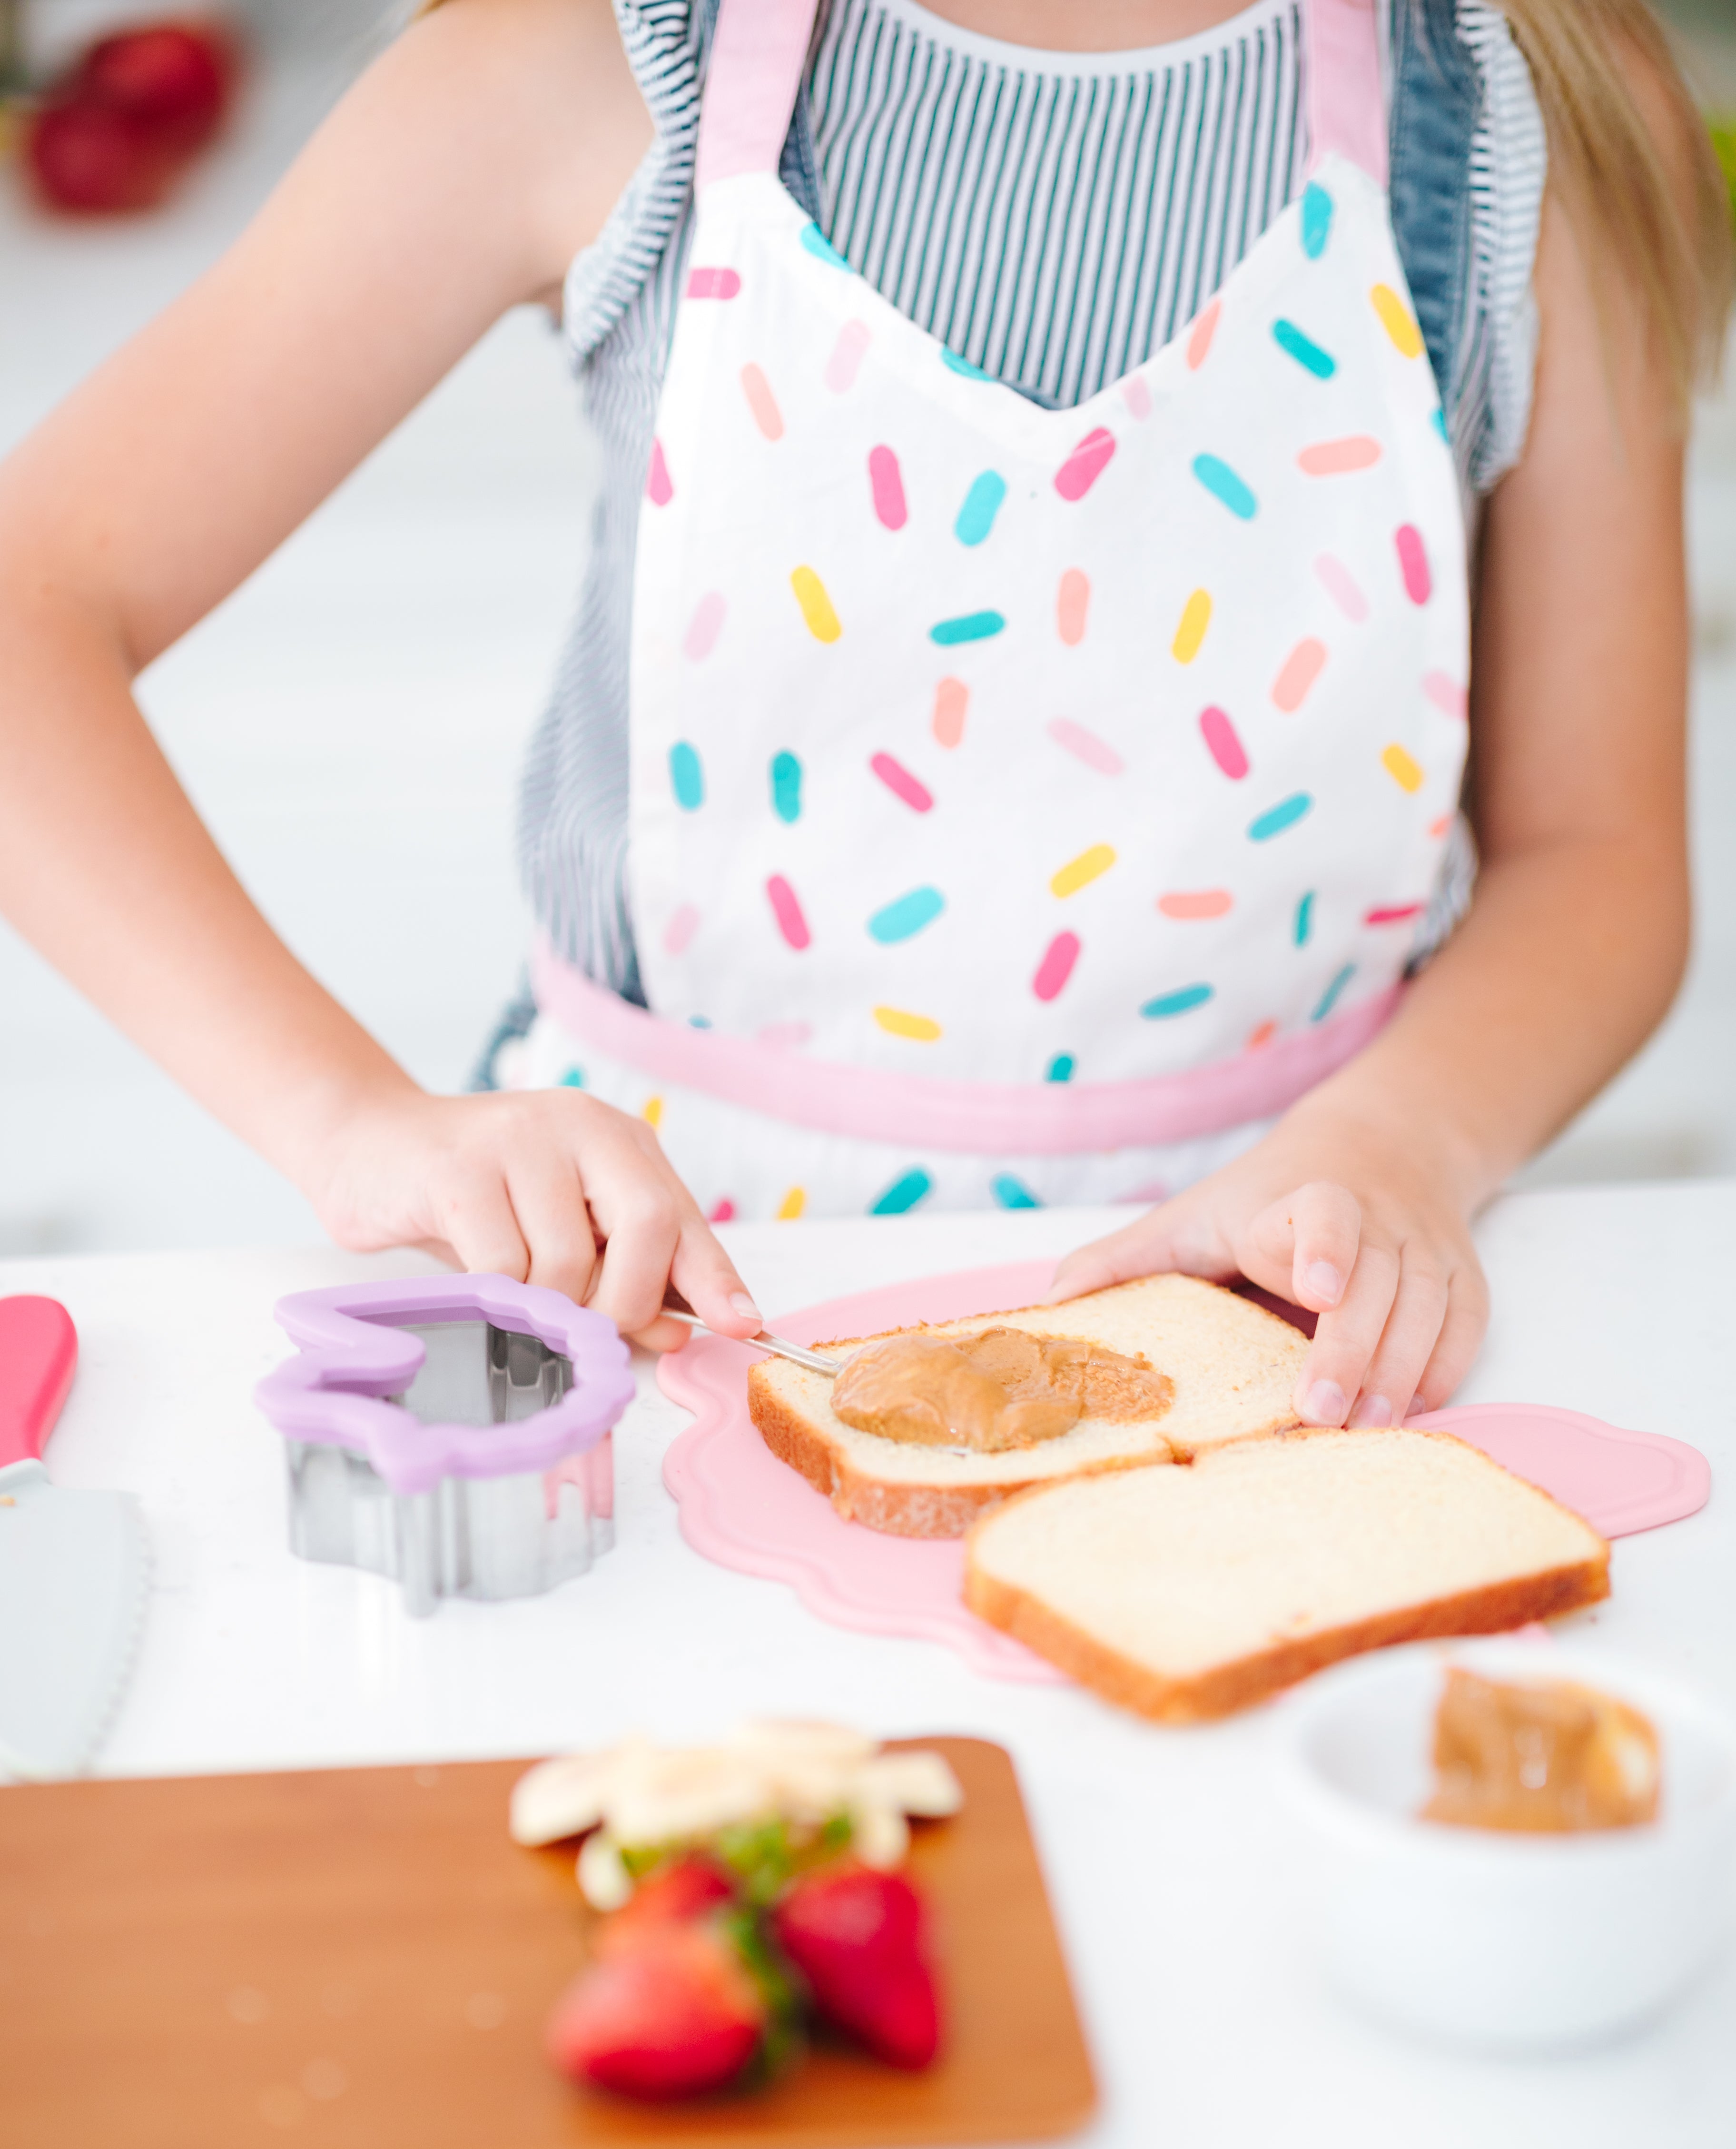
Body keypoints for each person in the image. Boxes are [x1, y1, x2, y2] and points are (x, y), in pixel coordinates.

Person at [0, 0, 1726, 1430]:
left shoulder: (1534, 114)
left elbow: (1600, 856)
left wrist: (1403, 1148)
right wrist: (350, 1124)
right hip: (649, 1312)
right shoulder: (578, 66)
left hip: (1299, 1329)